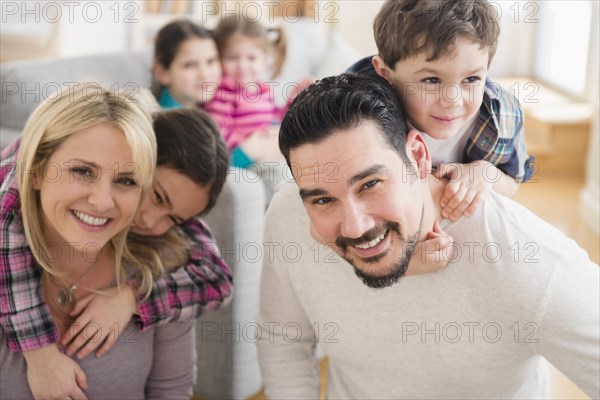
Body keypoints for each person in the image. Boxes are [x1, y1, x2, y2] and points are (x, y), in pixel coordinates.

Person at [256, 73, 599, 399]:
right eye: (323, 200)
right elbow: (283, 339)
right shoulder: (290, 213)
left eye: (370, 184)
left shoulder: (525, 258)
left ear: (418, 156)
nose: (355, 227)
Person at [1, 94, 232, 398]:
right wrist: (39, 354)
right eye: (83, 171)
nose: (151, 222)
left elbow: (218, 279)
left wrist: (133, 298)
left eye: (126, 181)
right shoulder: (11, 200)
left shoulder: (164, 257)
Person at [348, 0, 535, 222]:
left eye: (472, 79)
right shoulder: (359, 111)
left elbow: (513, 181)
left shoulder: (503, 114)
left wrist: (485, 173)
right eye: (431, 80)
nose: (452, 101)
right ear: (386, 73)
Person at [205, 15, 290, 168]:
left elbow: (275, 119)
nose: (242, 65)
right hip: (244, 161)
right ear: (218, 57)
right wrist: (251, 145)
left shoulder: (263, 90)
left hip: (267, 155)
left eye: (251, 58)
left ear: (264, 59)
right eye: (232, 57)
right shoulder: (223, 93)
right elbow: (219, 134)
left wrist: (292, 101)